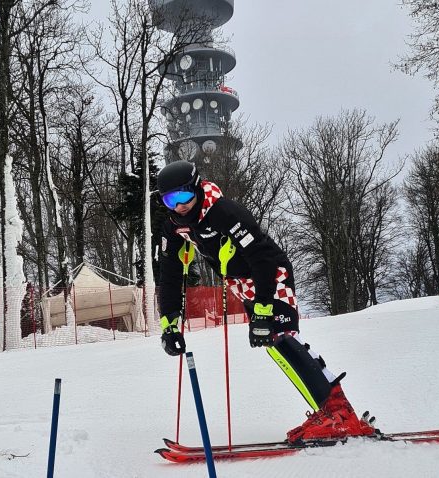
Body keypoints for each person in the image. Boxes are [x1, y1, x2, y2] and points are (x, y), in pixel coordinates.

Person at [156, 160, 375, 443]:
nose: (179, 206)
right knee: (272, 343)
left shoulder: (223, 212)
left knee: (280, 336)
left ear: (196, 189)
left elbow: (262, 257)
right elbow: (170, 275)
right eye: (169, 199)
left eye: (183, 196)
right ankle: (329, 412)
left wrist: (263, 309)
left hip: (270, 275)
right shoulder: (173, 227)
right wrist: (169, 324)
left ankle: (340, 414)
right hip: (240, 284)